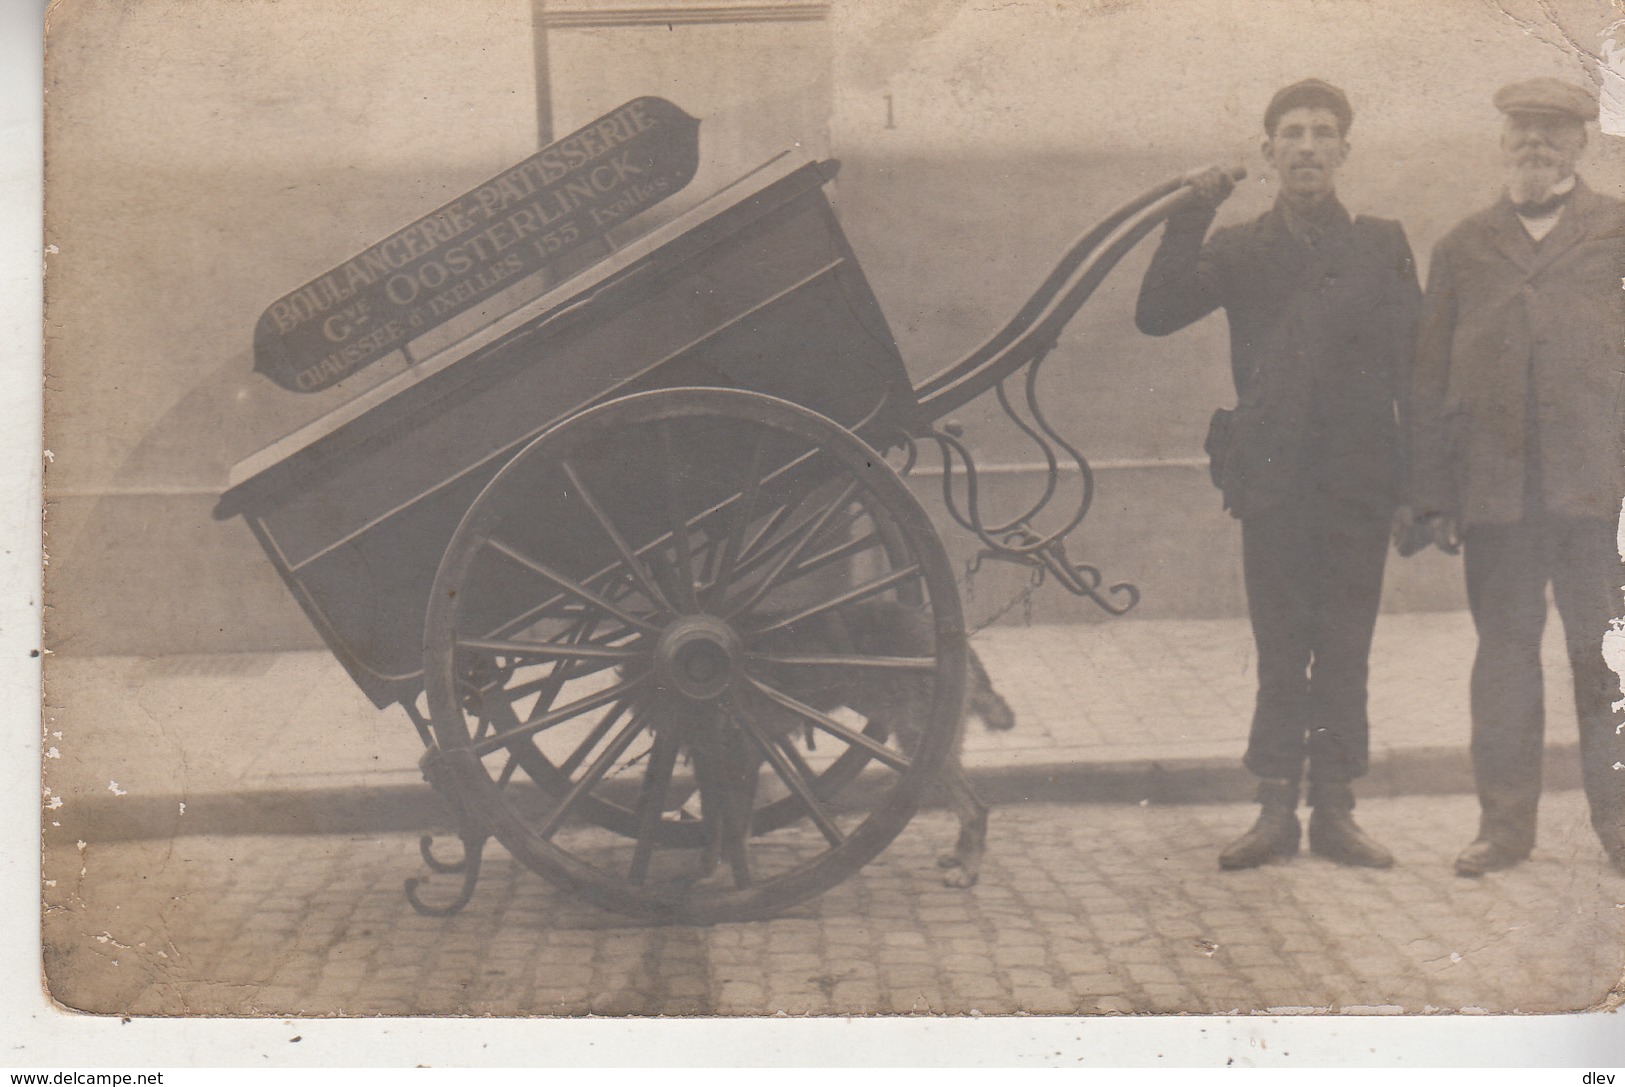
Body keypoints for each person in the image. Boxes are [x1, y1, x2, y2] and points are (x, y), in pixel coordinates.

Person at [1136, 79, 1421, 869]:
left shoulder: (1379, 243)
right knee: (1278, 646)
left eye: (1321, 133)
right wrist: (1188, 211)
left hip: (1359, 483)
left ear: (1342, 152)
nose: (1305, 147)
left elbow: (1413, 372)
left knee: (1343, 646)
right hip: (1270, 482)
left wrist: (1416, 491)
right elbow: (1155, 312)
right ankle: (1272, 812)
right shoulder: (1236, 248)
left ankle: (1334, 811)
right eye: (1289, 133)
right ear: (1267, 153)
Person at [1408, 77, 1625, 878]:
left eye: (1551, 131)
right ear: (1500, 144)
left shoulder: (1617, 231)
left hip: (1594, 494)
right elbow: (1427, 378)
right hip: (1495, 497)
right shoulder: (1463, 244)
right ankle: (1502, 829)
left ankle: (1619, 827)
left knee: (1603, 661)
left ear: (1579, 143)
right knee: (1502, 659)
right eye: (1520, 131)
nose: (1534, 144)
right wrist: (1432, 492)